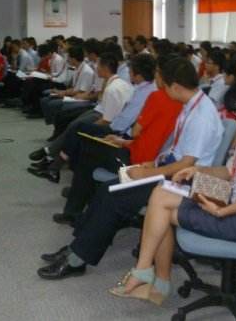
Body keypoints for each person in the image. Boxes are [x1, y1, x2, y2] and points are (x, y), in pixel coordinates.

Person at [37, 57, 223, 280]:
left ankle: (77, 259)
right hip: (170, 170)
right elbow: (178, 149)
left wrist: (147, 173)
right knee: (106, 189)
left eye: (163, 84)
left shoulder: (201, 116)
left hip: (184, 180)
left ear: (175, 86)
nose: (161, 88)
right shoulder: (192, 105)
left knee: (113, 196)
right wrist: (154, 163)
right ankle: (76, 247)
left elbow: (187, 164)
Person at [110, 77, 236, 305]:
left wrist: (222, 212)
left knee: (160, 209)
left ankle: (150, 277)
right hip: (230, 194)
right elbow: (229, 171)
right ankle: (148, 273)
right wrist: (198, 171)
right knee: (161, 192)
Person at [53, 54, 181, 224]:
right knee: (89, 147)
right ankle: (80, 196)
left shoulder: (157, 97)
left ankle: (73, 209)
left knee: (88, 153)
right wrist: (123, 141)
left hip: (138, 161)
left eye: (157, 72)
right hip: (148, 156)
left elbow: (136, 132)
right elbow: (150, 137)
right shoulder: (182, 102)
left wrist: (124, 139)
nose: (155, 75)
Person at [28, 52, 133, 184]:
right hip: (99, 111)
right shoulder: (117, 83)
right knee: (72, 124)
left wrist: (87, 128)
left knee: (76, 128)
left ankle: (51, 162)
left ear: (105, 68)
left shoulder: (113, 89)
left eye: (98, 66)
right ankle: (49, 159)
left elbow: (107, 120)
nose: (96, 68)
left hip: (103, 118)